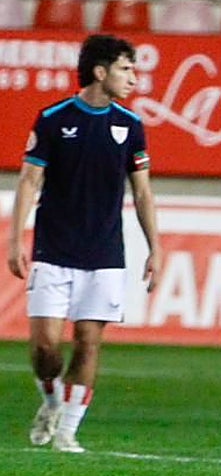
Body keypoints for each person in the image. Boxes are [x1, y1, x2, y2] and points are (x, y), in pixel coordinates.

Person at [6, 34, 161, 454]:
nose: (133, 78)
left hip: (105, 254)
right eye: (125, 69)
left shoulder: (130, 126)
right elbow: (30, 180)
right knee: (44, 347)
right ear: (100, 71)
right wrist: (15, 238)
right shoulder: (53, 119)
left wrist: (156, 247)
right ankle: (52, 401)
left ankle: (68, 433)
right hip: (53, 250)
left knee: (89, 340)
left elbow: (142, 193)